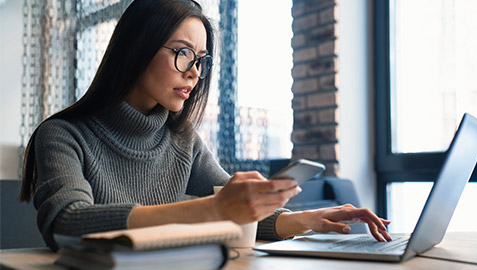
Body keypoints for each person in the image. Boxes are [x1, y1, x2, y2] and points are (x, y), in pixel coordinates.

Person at [20, 0, 391, 251]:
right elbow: (66, 222)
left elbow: (240, 211)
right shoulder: (62, 136)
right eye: (183, 54)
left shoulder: (183, 141)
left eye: (201, 59)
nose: (195, 73)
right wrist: (212, 209)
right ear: (138, 48)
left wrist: (307, 219)